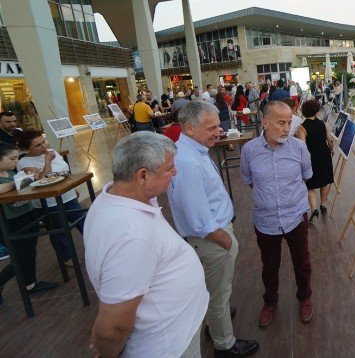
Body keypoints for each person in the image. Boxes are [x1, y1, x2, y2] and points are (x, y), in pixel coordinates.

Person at [85, 132, 208, 357]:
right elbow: (112, 327)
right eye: (169, 168)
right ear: (142, 176)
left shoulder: (122, 196)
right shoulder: (130, 234)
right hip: (167, 346)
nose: (175, 172)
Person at [168, 101, 259, 358]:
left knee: (217, 291)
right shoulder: (188, 163)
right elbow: (200, 222)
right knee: (219, 295)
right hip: (212, 240)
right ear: (189, 128)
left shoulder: (193, 151)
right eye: (212, 128)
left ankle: (216, 322)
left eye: (218, 126)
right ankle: (225, 344)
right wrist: (226, 241)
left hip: (213, 236)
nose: (219, 131)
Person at [240, 101, 314, 327]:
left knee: (302, 262)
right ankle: (270, 302)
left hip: (295, 216)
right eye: (281, 123)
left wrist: (287, 197)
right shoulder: (249, 150)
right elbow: (249, 180)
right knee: (269, 266)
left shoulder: (299, 148)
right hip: (266, 221)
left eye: (289, 122)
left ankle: (305, 298)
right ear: (265, 122)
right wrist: (270, 198)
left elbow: (306, 175)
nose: (286, 128)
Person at [0, 142, 58, 304]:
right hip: (11, 221)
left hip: (27, 214)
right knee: (21, 257)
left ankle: (30, 283)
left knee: (30, 251)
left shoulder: (10, 172)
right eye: (11, 158)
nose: (16, 162)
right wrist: (16, 183)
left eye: (17, 158)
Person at [16, 131, 85, 266]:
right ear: (27, 148)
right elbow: (40, 181)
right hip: (47, 202)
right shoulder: (23, 163)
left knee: (83, 222)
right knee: (59, 230)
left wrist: (72, 187)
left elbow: (64, 171)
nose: (43, 146)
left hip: (67, 195)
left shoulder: (52, 151)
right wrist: (47, 162)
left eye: (43, 142)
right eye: (37, 145)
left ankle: (99, 248)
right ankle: (66, 257)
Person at [295, 100, 335, 221]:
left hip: (311, 157)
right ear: (317, 112)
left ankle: (313, 209)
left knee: (310, 185)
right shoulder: (323, 123)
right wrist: (331, 150)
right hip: (324, 154)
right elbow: (330, 139)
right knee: (325, 180)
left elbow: (302, 146)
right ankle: (322, 204)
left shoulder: (301, 127)